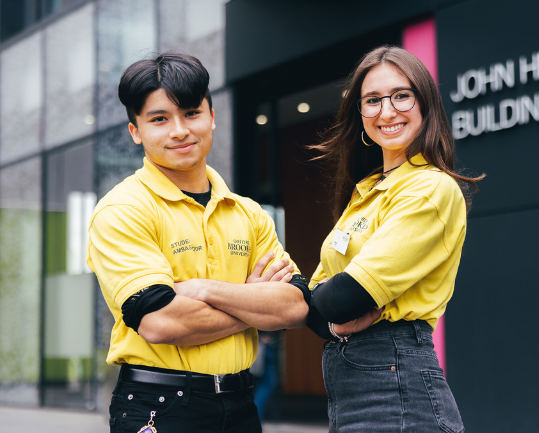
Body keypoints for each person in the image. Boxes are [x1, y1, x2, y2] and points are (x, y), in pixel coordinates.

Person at [87, 51, 311, 433]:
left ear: (212, 117)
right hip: (159, 406)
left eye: (191, 113)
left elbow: (294, 306)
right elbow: (159, 322)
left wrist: (204, 289)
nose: (179, 130)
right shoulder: (122, 210)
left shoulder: (249, 213)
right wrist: (251, 300)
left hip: (240, 402)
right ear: (135, 131)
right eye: (159, 119)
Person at [305, 46, 484, 432]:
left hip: (397, 388)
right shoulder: (368, 189)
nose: (386, 112)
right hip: (353, 387)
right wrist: (329, 316)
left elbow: (342, 296)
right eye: (372, 101)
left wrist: (326, 306)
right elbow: (321, 304)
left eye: (401, 95)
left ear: (426, 103)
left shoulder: (431, 188)